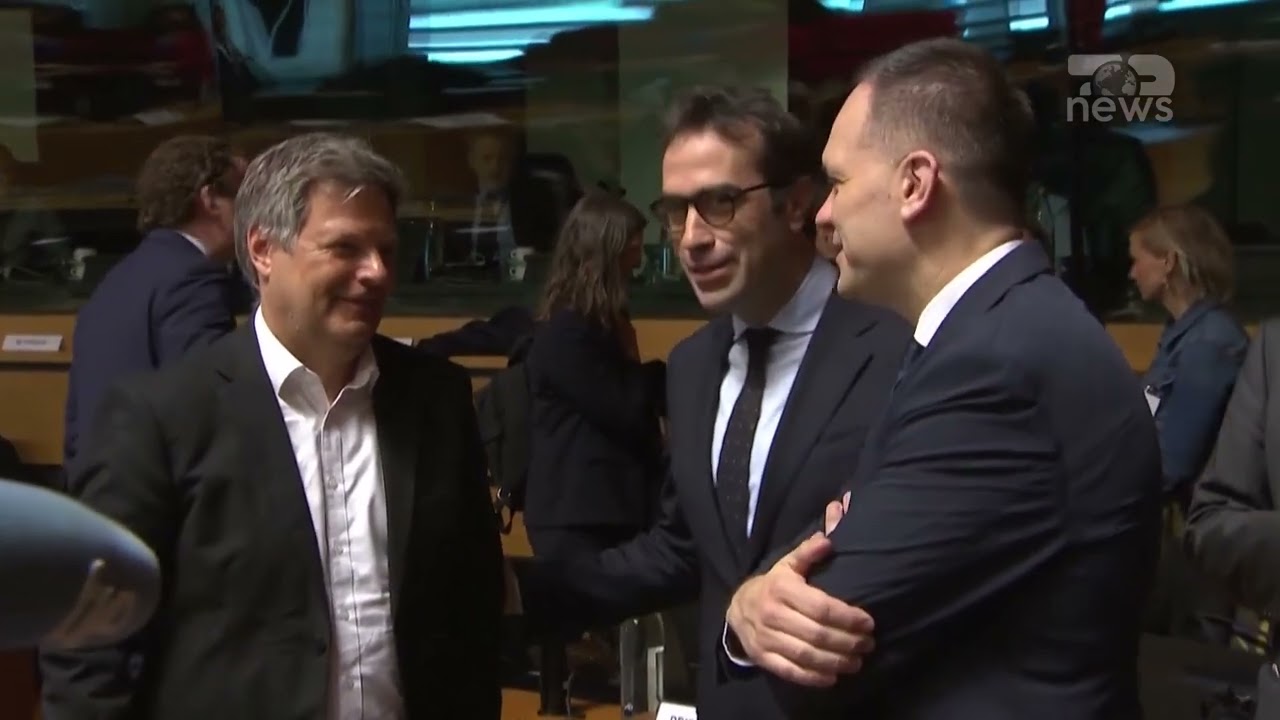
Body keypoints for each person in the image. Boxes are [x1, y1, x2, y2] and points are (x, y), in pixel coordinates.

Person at [722, 38, 1163, 719]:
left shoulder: (996, 365)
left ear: (915, 184)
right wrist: (754, 599)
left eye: (838, 183)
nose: (822, 215)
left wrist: (748, 612)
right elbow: (834, 543)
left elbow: (817, 653)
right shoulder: (993, 331)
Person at [39, 133, 504, 720]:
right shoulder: (163, 415)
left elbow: (472, 608)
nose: (377, 272)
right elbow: (89, 647)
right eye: (345, 248)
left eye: (386, 248)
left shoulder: (436, 400)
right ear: (263, 250)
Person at [511, 86, 910, 720]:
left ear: (796, 204)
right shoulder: (694, 366)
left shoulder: (897, 347)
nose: (691, 238)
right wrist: (516, 592)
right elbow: (684, 549)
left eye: (719, 203)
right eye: (675, 211)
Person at [522, 190, 668, 712]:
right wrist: (662, 375)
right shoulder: (568, 331)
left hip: (606, 509)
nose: (639, 254)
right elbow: (621, 407)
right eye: (632, 243)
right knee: (586, 658)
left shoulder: (597, 323)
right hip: (577, 515)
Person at [63, 135, 247, 468]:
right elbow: (211, 404)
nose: (257, 216)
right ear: (211, 200)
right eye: (247, 198)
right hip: (155, 488)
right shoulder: (191, 278)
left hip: (100, 482)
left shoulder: (117, 279)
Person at [1128, 204, 1248, 504]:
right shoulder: (1182, 335)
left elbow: (1171, 464)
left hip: (1206, 521)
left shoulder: (1208, 345)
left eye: (1136, 260)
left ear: (1168, 261)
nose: (1132, 273)